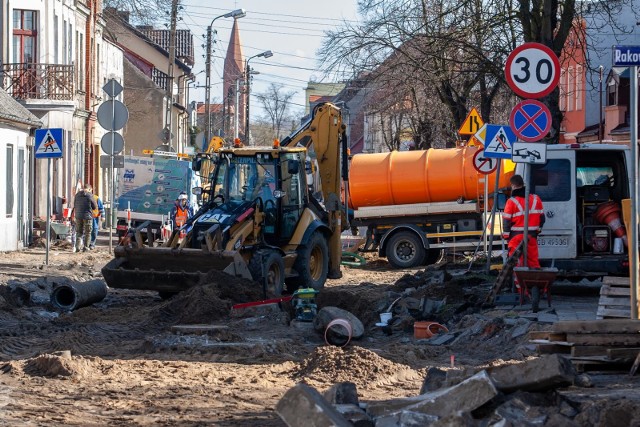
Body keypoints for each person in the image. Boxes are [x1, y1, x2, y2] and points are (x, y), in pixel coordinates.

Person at [502, 174, 546, 276]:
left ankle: (520, 288)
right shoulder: (536, 198)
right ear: (523, 184)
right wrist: (537, 231)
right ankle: (535, 286)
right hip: (531, 236)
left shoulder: (511, 201)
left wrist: (506, 236)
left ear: (513, 186)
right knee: (533, 262)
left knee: (516, 264)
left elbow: (506, 221)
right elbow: (542, 219)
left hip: (516, 237)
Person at [73, 184, 98, 252]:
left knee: (79, 232)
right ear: (89, 189)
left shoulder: (77, 195)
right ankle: (86, 247)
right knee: (88, 232)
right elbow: (94, 206)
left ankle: (77, 247)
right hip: (87, 216)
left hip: (78, 216)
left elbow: (74, 204)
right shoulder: (90, 195)